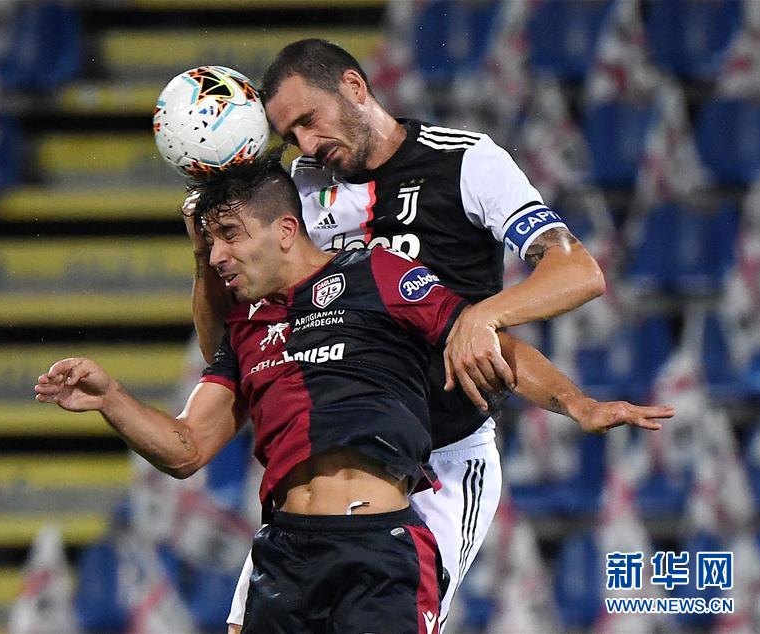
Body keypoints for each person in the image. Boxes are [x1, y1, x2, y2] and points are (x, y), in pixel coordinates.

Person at [177, 39, 616, 632]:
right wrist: (204, 257)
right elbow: (227, 349)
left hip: (443, 460)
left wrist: (481, 317)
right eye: (290, 135)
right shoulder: (298, 190)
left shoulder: (466, 163)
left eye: (309, 120)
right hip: (326, 464)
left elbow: (577, 272)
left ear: (355, 88)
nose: (305, 145)